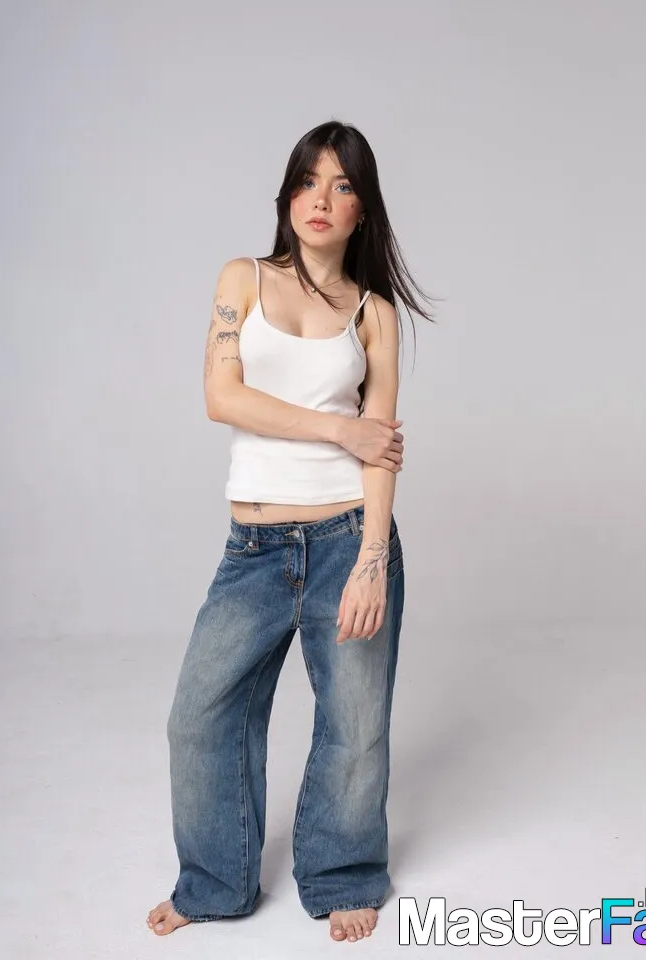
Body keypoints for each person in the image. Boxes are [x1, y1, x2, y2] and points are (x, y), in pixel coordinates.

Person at [146, 120, 436, 944]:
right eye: (309, 180)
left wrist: (372, 560)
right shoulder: (242, 279)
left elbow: (382, 449)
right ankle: (214, 882)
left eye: (343, 186)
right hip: (256, 549)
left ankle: (344, 875)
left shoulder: (374, 314)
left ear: (362, 210)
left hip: (349, 537)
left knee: (355, 724)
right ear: (287, 196)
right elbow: (222, 396)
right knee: (200, 716)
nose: (322, 198)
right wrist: (338, 428)